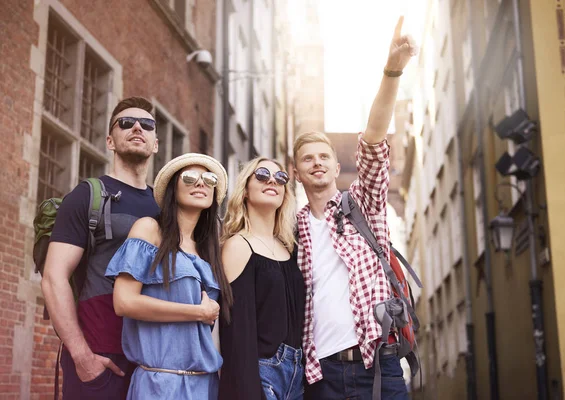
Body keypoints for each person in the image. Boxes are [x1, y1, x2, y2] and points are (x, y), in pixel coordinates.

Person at [293, 16, 418, 400]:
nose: (316, 162)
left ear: (335, 166)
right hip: (319, 374)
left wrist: (392, 70)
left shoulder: (363, 206)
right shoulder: (290, 229)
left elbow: (375, 141)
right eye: (307, 158)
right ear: (295, 171)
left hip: (377, 366)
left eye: (324, 157)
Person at [41, 97, 160, 399]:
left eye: (147, 124)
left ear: (155, 143)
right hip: (100, 359)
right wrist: (82, 356)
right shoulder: (88, 196)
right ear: (110, 140)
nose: (137, 127)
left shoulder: (165, 207)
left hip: (152, 363)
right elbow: (54, 277)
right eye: (126, 123)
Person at [105, 153, 232, 399]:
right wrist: (198, 312)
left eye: (209, 178)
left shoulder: (209, 249)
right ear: (173, 187)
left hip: (205, 386)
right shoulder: (150, 230)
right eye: (190, 177)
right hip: (160, 384)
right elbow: (124, 302)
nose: (200, 183)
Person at [218, 157, 305, 400]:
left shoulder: (290, 247)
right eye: (262, 174)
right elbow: (236, 331)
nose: (272, 181)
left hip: (297, 372)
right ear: (245, 190)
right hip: (261, 371)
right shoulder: (238, 245)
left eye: (281, 178)